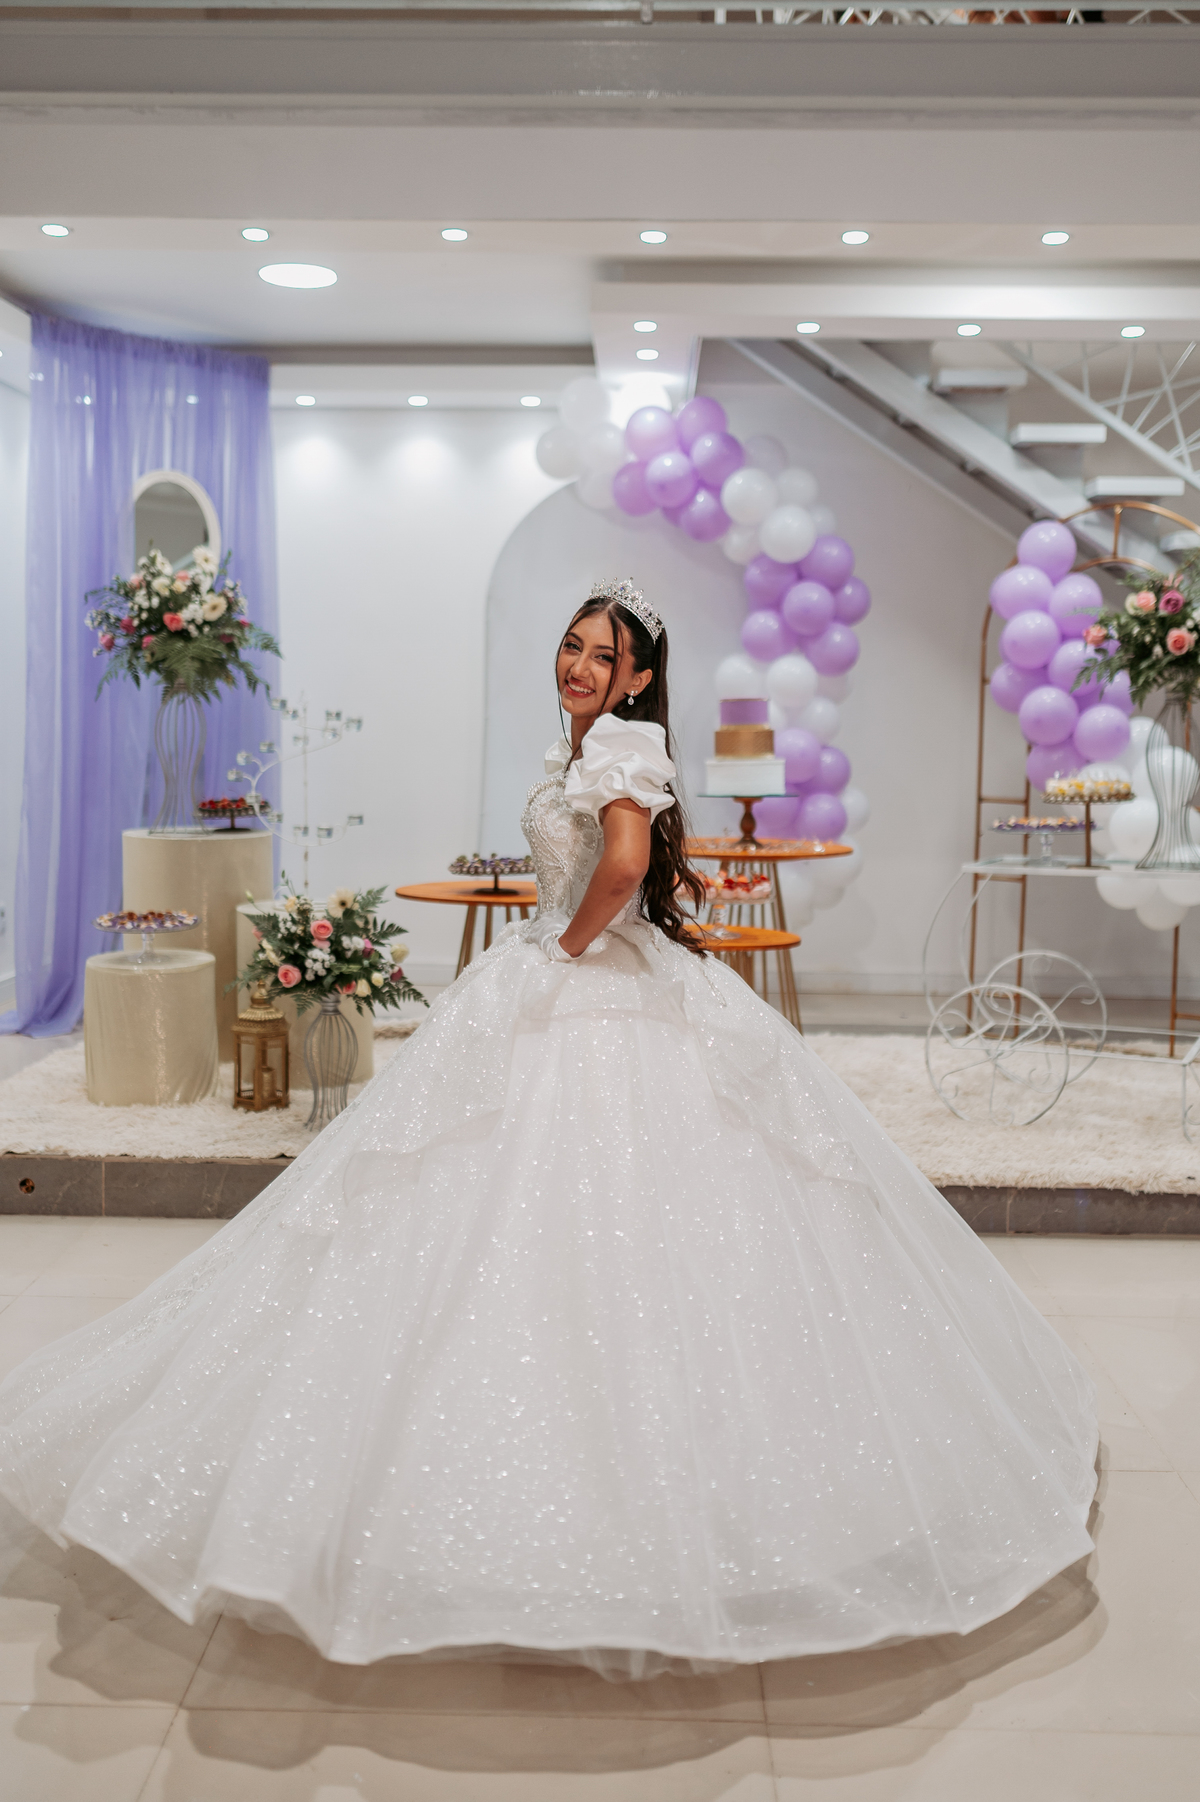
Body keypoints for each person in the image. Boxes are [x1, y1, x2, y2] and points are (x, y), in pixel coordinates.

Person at [0, 579, 1098, 1682]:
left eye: (602, 654)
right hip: (572, 970)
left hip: (586, 982)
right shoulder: (588, 744)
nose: (578, 665)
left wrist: (563, 947)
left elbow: (623, 864)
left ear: (639, 675)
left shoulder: (619, 744)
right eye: (571, 645)